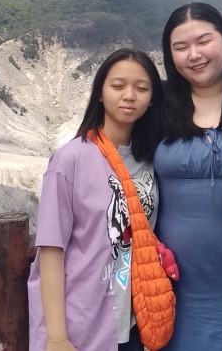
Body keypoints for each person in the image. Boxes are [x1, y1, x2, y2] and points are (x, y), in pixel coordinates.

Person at [28, 48, 163, 351]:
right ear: (100, 92)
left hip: (134, 324)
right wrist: (57, 338)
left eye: (141, 88)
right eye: (118, 86)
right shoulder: (70, 159)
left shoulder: (153, 159)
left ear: (152, 98)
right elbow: (51, 249)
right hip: (82, 325)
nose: (129, 95)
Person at [154, 2, 222, 350]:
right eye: (180, 47)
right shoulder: (155, 107)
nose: (194, 54)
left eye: (204, 41)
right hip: (175, 279)